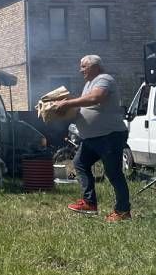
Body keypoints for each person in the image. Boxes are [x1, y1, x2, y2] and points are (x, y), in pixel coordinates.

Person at [54, 55, 131, 222]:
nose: (81, 70)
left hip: (109, 136)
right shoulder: (89, 83)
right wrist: (64, 109)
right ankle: (89, 203)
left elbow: (96, 98)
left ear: (95, 66)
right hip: (93, 137)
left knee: (113, 173)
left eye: (84, 66)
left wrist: (68, 104)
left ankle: (123, 211)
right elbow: (84, 106)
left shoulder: (104, 79)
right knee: (79, 163)